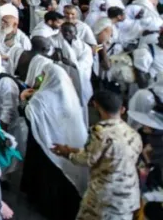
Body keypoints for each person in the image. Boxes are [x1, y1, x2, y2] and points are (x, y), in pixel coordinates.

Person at [52, 89, 143, 220]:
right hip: (127, 197)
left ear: (96, 106)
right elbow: (108, 155)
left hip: (105, 197)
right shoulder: (133, 133)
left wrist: (67, 154)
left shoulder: (100, 132)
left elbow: (87, 159)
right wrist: (72, 149)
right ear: (122, 109)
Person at [20, 55, 87, 218]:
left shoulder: (42, 98)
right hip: (64, 149)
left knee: (44, 180)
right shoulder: (68, 97)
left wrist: (23, 98)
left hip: (44, 148)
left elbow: (28, 115)